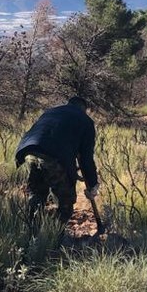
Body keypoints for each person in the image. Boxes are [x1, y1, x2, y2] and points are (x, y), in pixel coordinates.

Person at [14, 96, 101, 232]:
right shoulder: (85, 121)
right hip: (54, 158)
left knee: (37, 194)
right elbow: (86, 158)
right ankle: (54, 237)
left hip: (29, 152)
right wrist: (93, 183)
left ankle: (30, 231)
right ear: (84, 110)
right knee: (66, 202)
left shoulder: (51, 112)